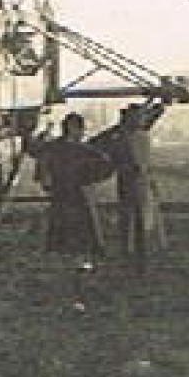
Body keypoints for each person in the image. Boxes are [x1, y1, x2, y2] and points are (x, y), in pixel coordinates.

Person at [29, 113, 115, 268]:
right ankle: (78, 257)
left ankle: (68, 255)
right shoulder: (80, 149)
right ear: (72, 128)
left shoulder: (57, 147)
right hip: (74, 193)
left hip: (63, 193)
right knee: (80, 224)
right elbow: (106, 165)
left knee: (65, 223)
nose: (82, 133)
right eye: (80, 129)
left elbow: (38, 155)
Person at [92, 100, 168, 273]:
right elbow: (96, 143)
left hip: (142, 182)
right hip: (130, 182)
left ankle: (141, 258)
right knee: (132, 221)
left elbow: (153, 115)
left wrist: (162, 104)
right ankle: (132, 258)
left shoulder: (137, 133)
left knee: (142, 221)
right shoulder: (120, 136)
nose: (141, 119)